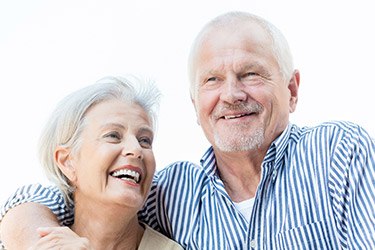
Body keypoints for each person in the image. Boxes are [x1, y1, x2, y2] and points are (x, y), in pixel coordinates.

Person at [2, 11, 375, 249]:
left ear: (291, 90)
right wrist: (35, 240)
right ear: (196, 106)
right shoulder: (172, 193)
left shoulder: (337, 152)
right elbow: (69, 195)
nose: (231, 94)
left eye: (250, 74)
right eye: (212, 80)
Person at [0, 76, 183, 249]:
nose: (136, 149)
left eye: (145, 140)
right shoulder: (28, 239)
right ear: (67, 162)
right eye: (113, 135)